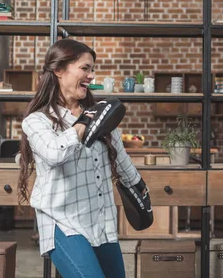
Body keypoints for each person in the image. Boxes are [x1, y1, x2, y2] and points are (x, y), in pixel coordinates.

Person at [17, 38, 146, 278]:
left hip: (101, 220)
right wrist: (85, 123)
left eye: (92, 70)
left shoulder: (101, 116)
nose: (91, 76)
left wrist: (140, 190)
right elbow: (55, 153)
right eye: (85, 68)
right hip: (63, 222)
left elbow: (121, 160)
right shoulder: (37, 121)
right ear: (58, 70)